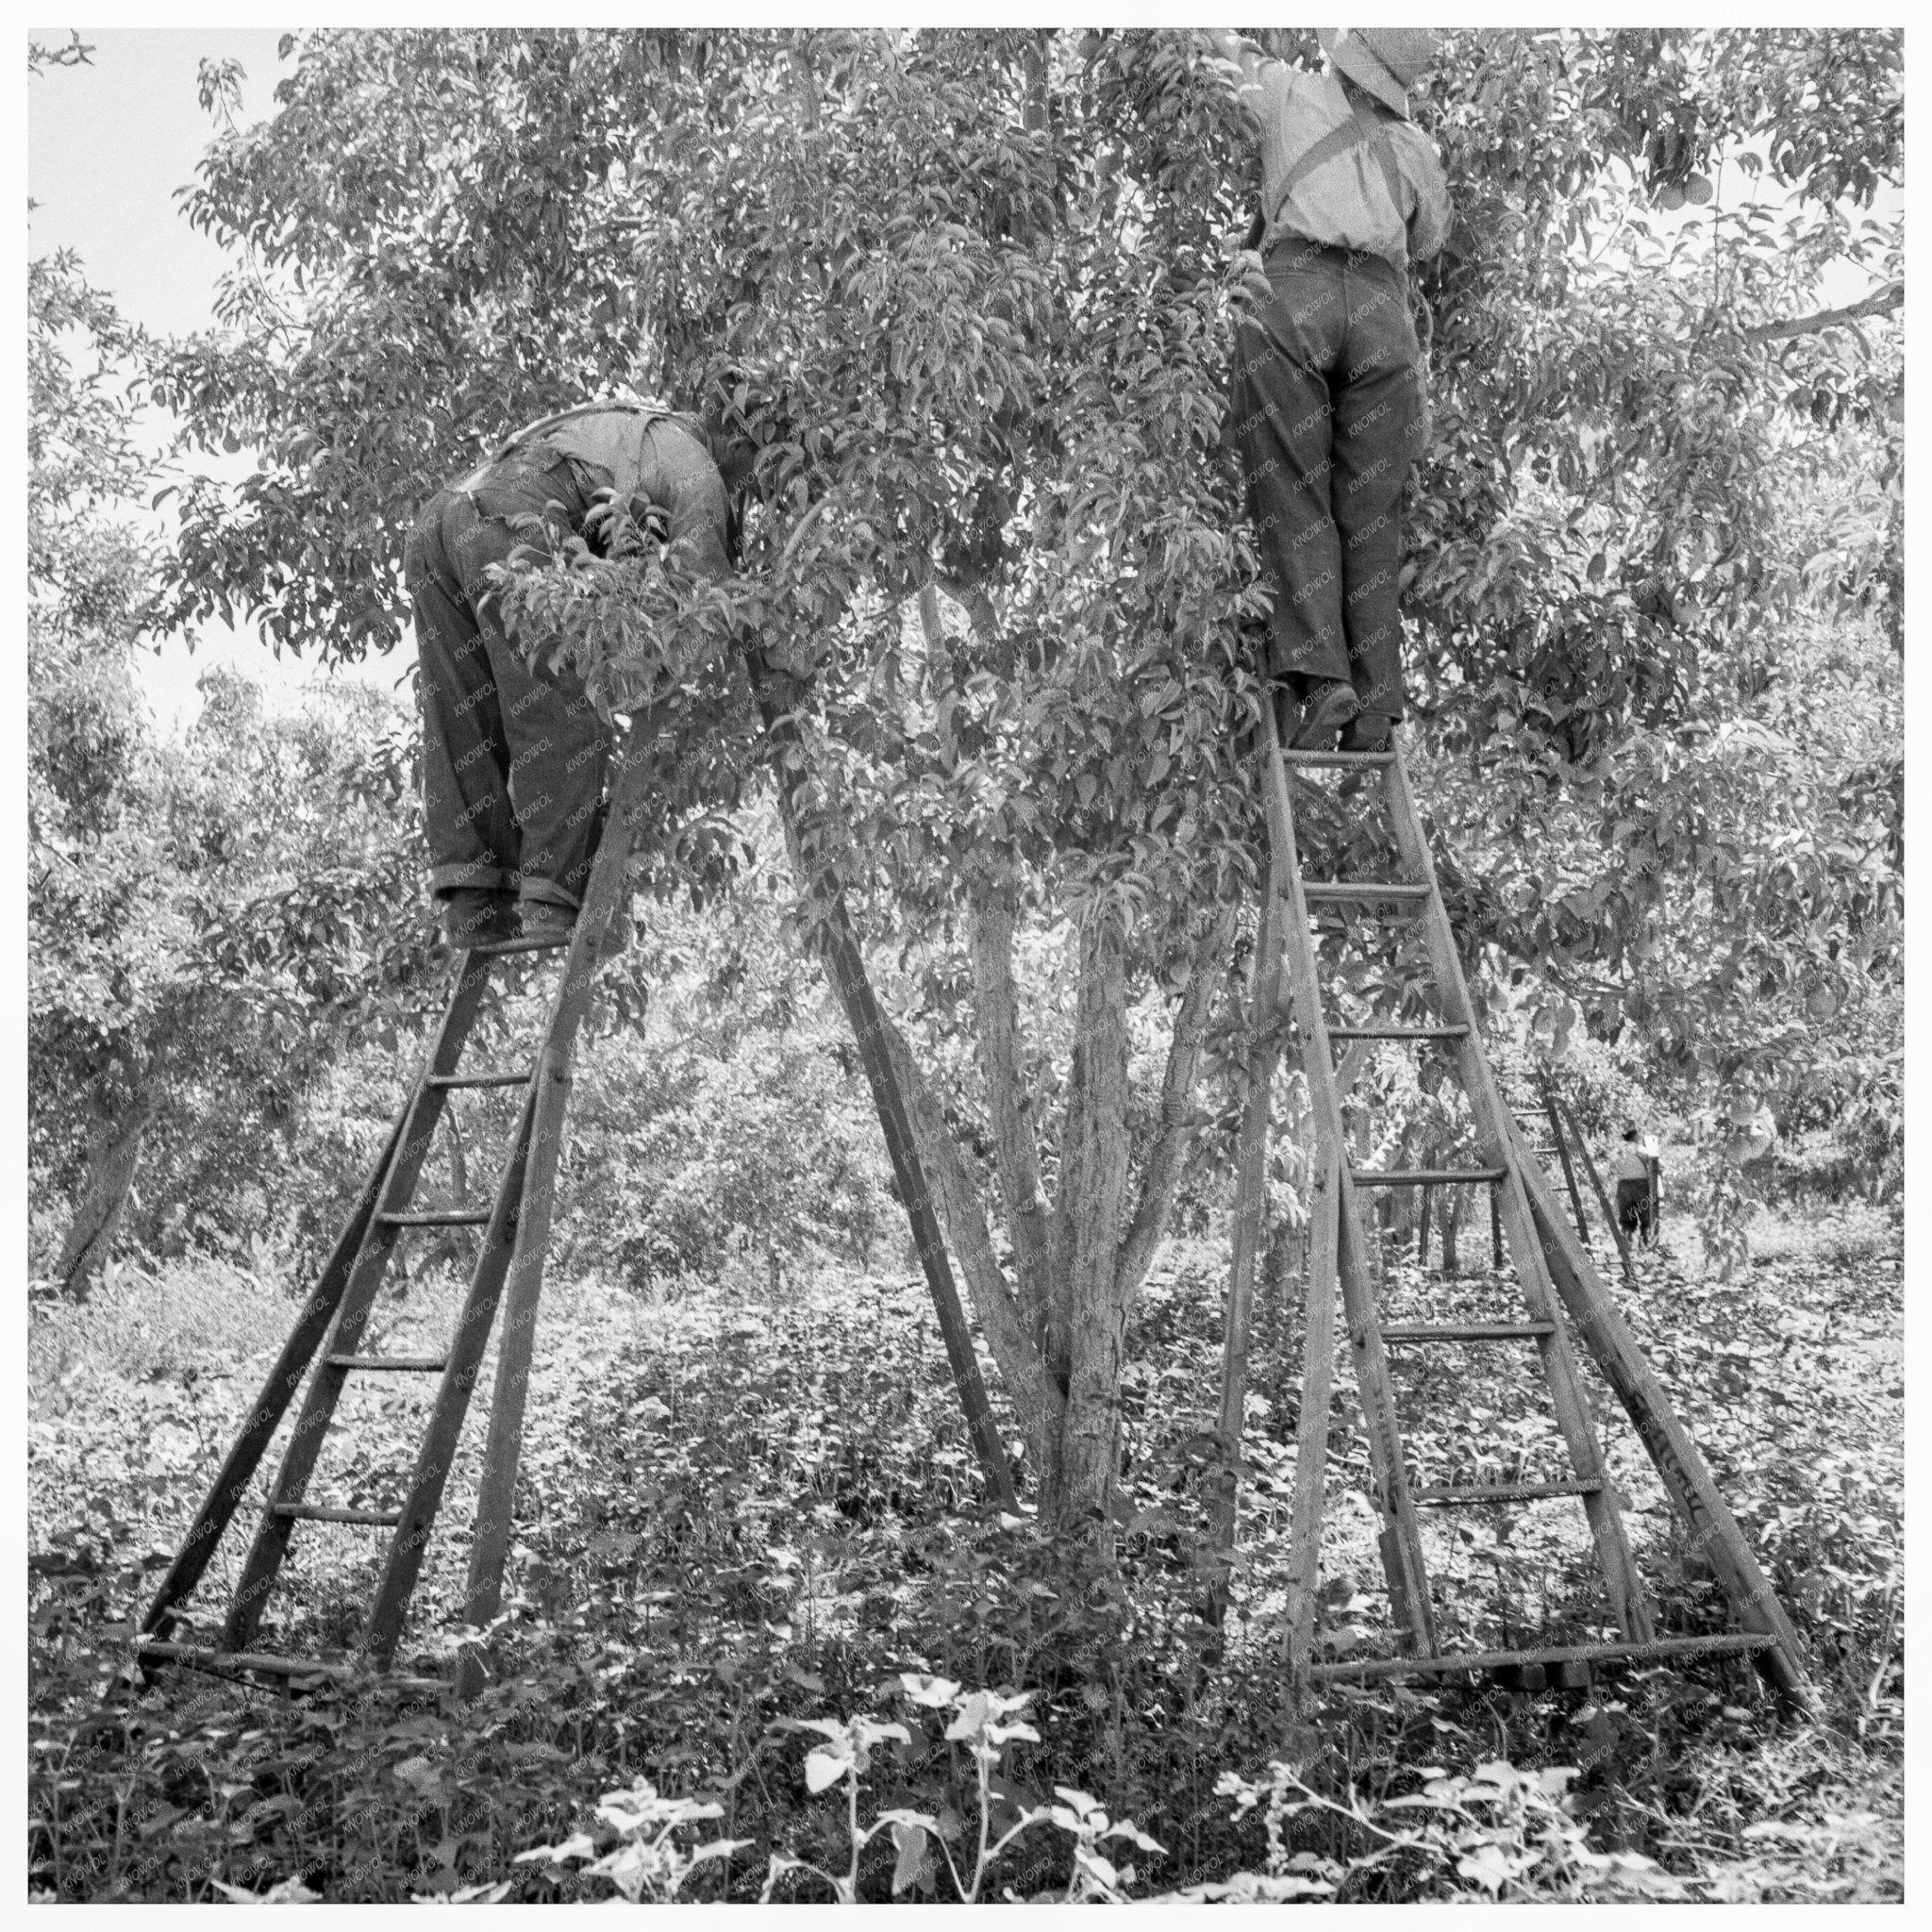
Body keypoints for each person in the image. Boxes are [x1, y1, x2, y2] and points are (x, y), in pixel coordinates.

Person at [404, 385, 759, 949]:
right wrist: (650, 674)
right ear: (737, 436)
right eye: (755, 464)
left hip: (437, 525)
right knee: (561, 691)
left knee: (461, 713)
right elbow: (702, 594)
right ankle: (553, 895)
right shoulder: (695, 461)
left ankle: (474, 897)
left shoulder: (620, 426)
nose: (751, 484)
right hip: (507, 519)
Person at [1210, 27, 1452, 752]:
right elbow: (1432, 239)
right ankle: (1376, 709)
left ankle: (1322, 679)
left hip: (1296, 296)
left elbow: (1220, 51)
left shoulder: (1288, 90)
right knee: (1370, 514)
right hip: (1383, 319)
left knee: (1292, 482)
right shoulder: (1417, 149)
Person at [1611, 1126, 1661, 1248]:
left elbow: (1613, 1168)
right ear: (1635, 1136)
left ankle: (1626, 1245)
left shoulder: (1618, 1151)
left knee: (1626, 1218)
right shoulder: (1640, 1150)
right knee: (1646, 1217)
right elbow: (1655, 1164)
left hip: (1623, 1185)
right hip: (1641, 1185)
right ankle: (1646, 1244)